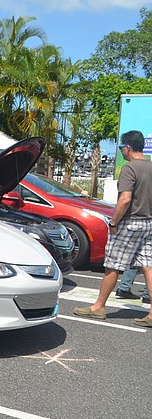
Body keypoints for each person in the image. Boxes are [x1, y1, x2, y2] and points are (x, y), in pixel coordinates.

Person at [74, 130, 152, 325]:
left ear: (127, 147)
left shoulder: (129, 168)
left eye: (120, 148)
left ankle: (98, 307)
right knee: (148, 267)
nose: (121, 152)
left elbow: (125, 199)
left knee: (112, 265)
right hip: (149, 223)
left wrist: (114, 222)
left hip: (130, 222)